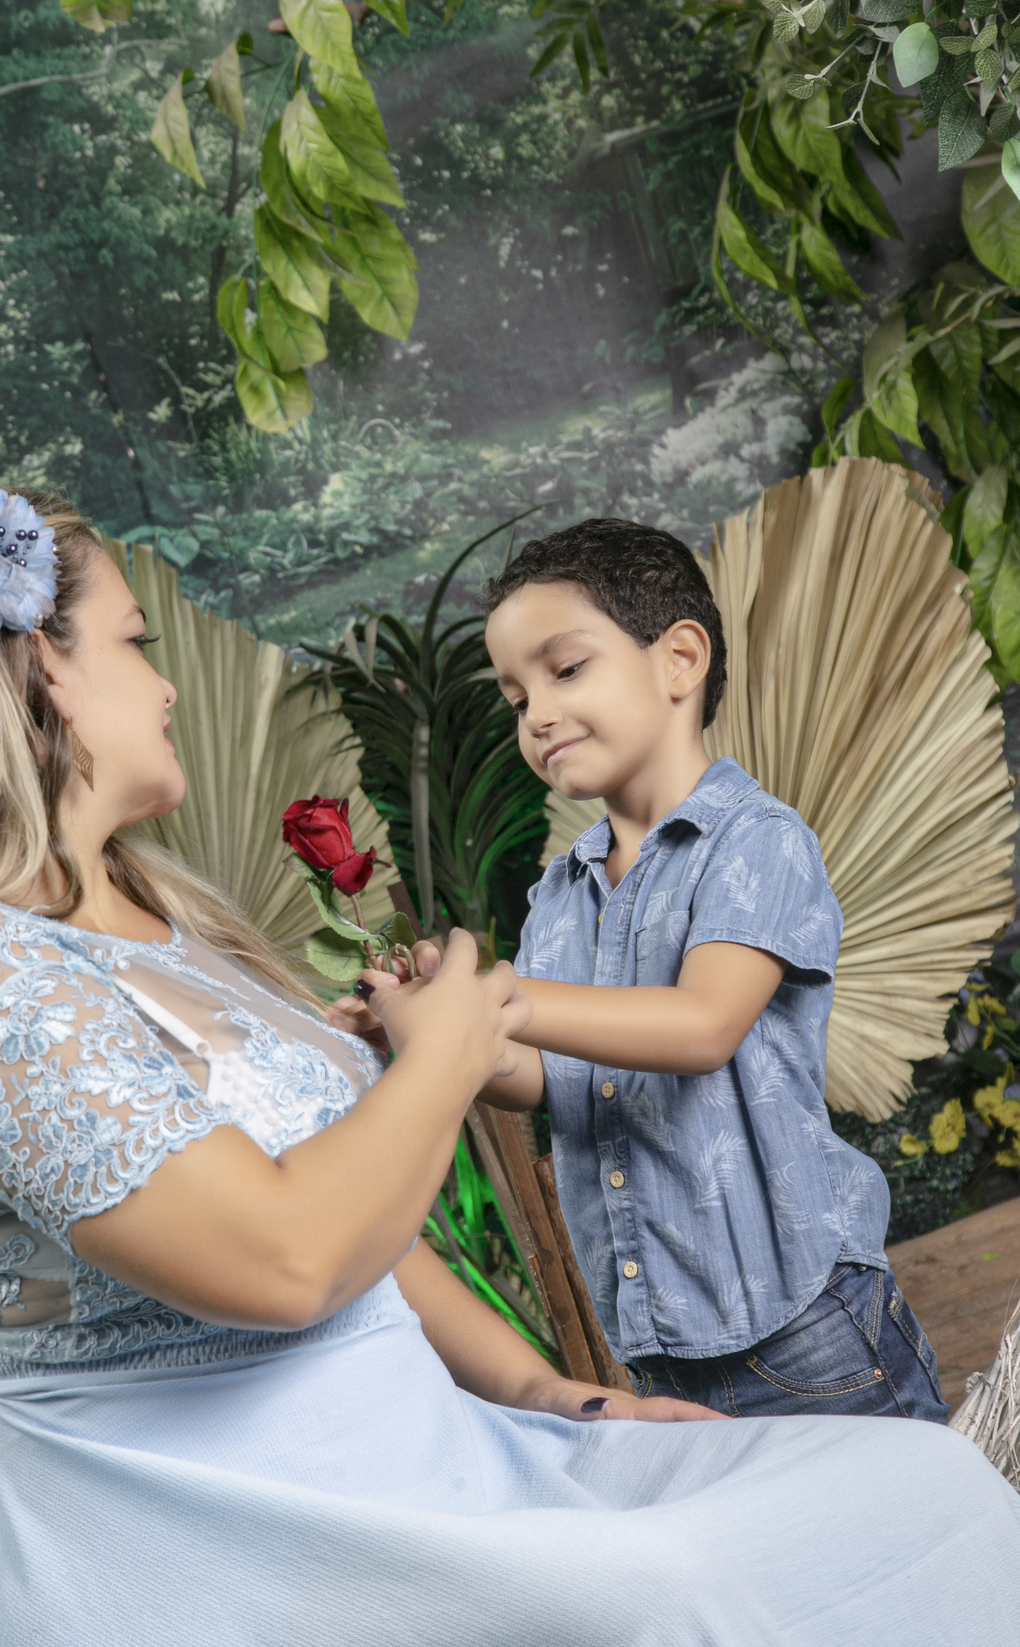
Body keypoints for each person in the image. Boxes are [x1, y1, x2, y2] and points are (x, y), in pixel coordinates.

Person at [0, 488, 1020, 1647]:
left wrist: (557, 1398)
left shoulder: (168, 930)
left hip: (424, 1462)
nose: (165, 687)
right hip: (224, 1549)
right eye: (136, 644)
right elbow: (292, 1258)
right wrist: (446, 1052)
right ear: (39, 667)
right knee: (672, 1613)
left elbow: (373, 1240)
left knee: (918, 1482)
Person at [351, 518, 947, 1424]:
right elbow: (546, 1076)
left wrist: (496, 995)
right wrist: (438, 1028)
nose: (536, 714)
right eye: (515, 698)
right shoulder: (561, 894)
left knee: (901, 1517)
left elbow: (703, 1026)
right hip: (658, 1349)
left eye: (565, 669)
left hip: (806, 1327)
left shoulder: (755, 841)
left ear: (680, 660)